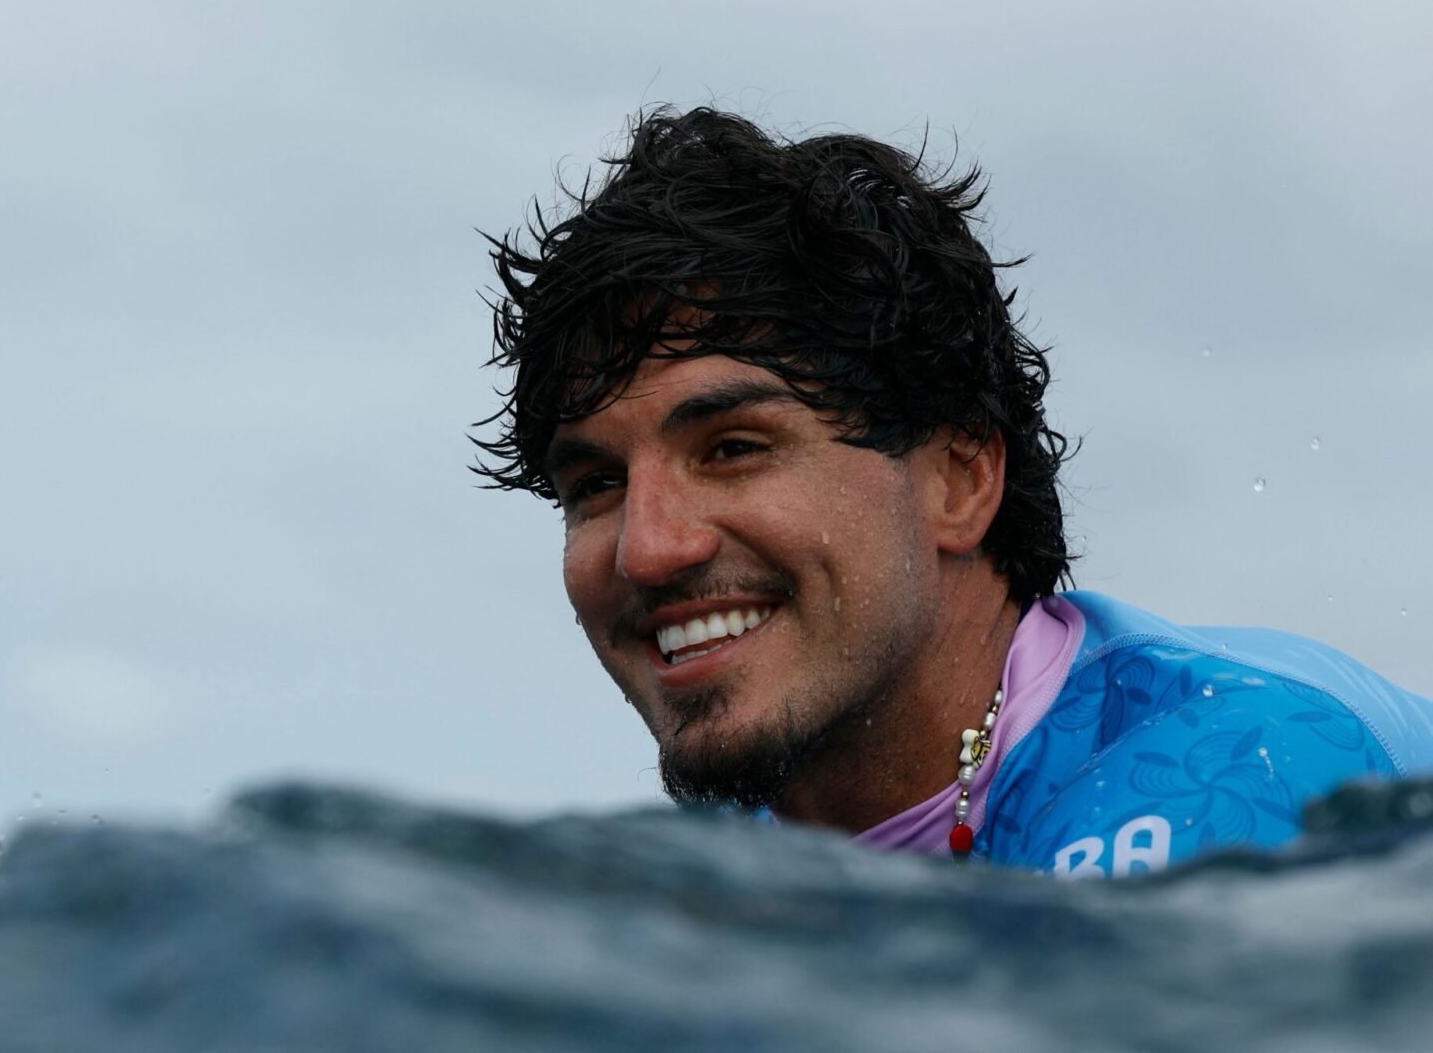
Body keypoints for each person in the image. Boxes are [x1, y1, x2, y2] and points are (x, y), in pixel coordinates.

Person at [473, 106, 1433, 878]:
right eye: (595, 483)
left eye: (732, 448)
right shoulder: (719, 889)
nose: (648, 548)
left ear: (958, 483)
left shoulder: (1234, 772)